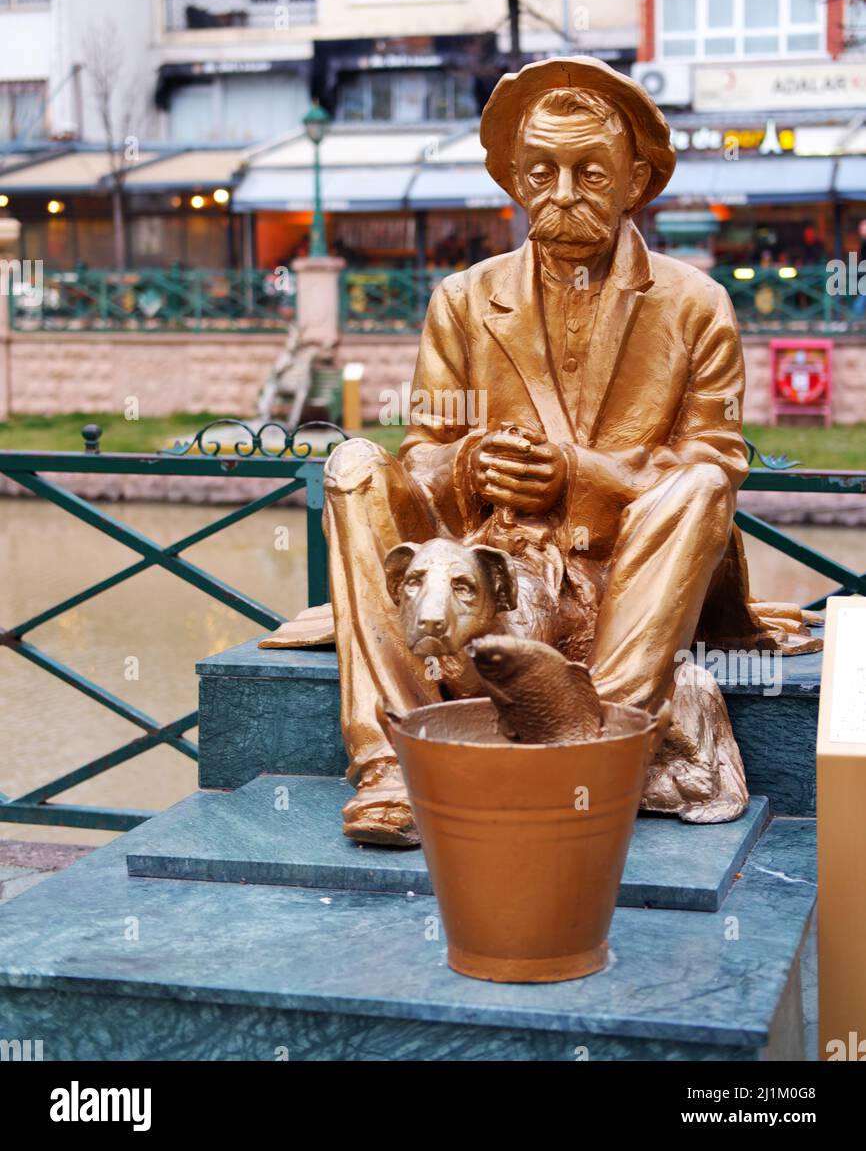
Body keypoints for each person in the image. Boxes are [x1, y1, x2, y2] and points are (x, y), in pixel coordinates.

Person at [287, 57, 816, 845]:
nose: (561, 194)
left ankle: (598, 735)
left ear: (636, 179)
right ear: (513, 180)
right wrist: (471, 466)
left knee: (702, 484)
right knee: (354, 465)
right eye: (541, 171)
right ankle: (391, 760)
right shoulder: (463, 301)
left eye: (588, 173)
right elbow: (424, 452)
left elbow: (719, 458)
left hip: (624, 567)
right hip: (488, 570)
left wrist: (576, 475)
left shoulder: (696, 304)